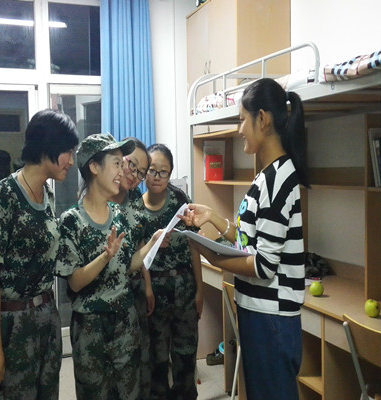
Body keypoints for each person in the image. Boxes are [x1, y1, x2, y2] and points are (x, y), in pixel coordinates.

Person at [182, 78, 309, 400]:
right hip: (260, 313)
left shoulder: (279, 179)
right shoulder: (267, 176)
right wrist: (213, 217)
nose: (239, 129)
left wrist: (211, 256)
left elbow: (264, 265)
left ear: (262, 119)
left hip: (271, 318)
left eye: (242, 120)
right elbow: (249, 241)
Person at [0, 109, 79, 400]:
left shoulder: (48, 195)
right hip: (11, 324)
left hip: (45, 319)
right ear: (47, 148)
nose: (71, 161)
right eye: (68, 152)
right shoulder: (6, 194)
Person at [56, 133, 166, 400]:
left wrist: (152, 243)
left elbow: (128, 265)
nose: (122, 172)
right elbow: (75, 282)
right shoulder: (71, 220)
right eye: (116, 164)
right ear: (94, 167)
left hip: (124, 322)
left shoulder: (118, 215)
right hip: (90, 327)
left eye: (122, 163)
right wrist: (105, 256)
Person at [142, 143, 203, 400]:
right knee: (156, 359)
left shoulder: (180, 200)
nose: (157, 177)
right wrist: (147, 287)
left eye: (163, 172)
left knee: (185, 356)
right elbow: (138, 254)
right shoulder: (134, 205)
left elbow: (193, 245)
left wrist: (199, 290)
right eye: (152, 170)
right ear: (144, 172)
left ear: (170, 174)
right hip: (153, 290)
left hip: (183, 287)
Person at [109, 136, 153, 400]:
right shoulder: (102, 193)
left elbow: (140, 242)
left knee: (139, 358)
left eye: (141, 173)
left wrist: (148, 285)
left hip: (134, 286)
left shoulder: (135, 197)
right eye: (132, 165)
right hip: (110, 292)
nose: (135, 176)